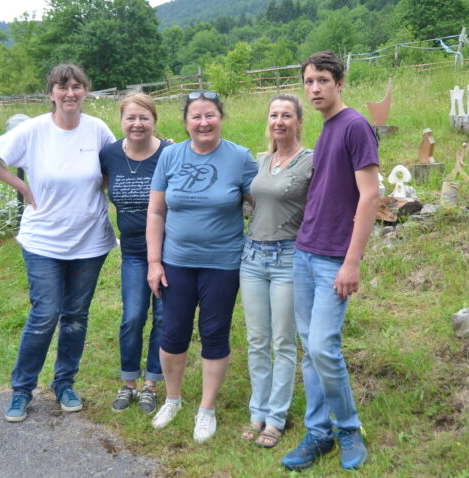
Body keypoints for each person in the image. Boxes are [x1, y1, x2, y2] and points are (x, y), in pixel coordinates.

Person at [0, 63, 117, 423]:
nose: (70, 93)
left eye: (77, 86)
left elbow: (118, 163)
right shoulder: (33, 130)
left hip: (90, 240)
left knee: (75, 318)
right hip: (43, 241)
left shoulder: (97, 129)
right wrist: (22, 187)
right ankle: (22, 389)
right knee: (44, 315)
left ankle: (64, 383)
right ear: (51, 92)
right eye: (62, 87)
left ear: (86, 91)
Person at [280, 51, 380, 471]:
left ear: (340, 83)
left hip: (333, 259)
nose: (315, 88)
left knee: (323, 347)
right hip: (305, 252)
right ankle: (318, 433)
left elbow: (371, 194)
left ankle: (349, 429)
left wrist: (352, 262)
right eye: (308, 81)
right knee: (311, 351)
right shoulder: (326, 130)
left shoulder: (355, 126)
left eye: (322, 80)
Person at [146, 91, 258, 442]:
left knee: (214, 333)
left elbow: (264, 200)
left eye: (210, 115)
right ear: (186, 122)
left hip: (223, 263)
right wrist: (153, 261)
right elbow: (156, 211)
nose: (203, 122)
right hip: (176, 262)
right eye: (196, 116)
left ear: (220, 118)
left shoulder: (239, 157)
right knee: (173, 332)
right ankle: (173, 399)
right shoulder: (170, 155)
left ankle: (206, 409)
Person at [239, 94, 313, 448]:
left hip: (288, 258)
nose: (279, 121)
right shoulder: (262, 160)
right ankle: (257, 410)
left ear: (299, 121)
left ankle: (276, 417)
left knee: (283, 341)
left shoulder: (310, 161)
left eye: (286, 115)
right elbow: (249, 200)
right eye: (273, 115)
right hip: (251, 257)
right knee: (256, 339)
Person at [100, 93, 170, 413]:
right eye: (131, 118)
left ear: (154, 120)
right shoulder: (110, 154)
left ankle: (151, 384)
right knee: (132, 316)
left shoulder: (170, 152)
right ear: (121, 121)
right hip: (132, 252)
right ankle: (128, 382)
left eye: (144, 118)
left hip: (170, 251)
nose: (137, 124)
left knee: (163, 317)